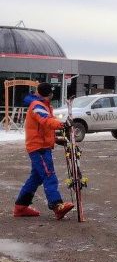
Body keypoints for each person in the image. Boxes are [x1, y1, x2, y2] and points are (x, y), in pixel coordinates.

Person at [13, 83, 76, 219]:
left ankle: (21, 207)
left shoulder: (43, 105)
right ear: (49, 94)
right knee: (49, 174)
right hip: (38, 148)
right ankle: (56, 205)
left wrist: (56, 139)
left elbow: (43, 128)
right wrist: (63, 124)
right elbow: (47, 121)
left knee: (35, 178)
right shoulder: (37, 105)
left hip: (42, 146)